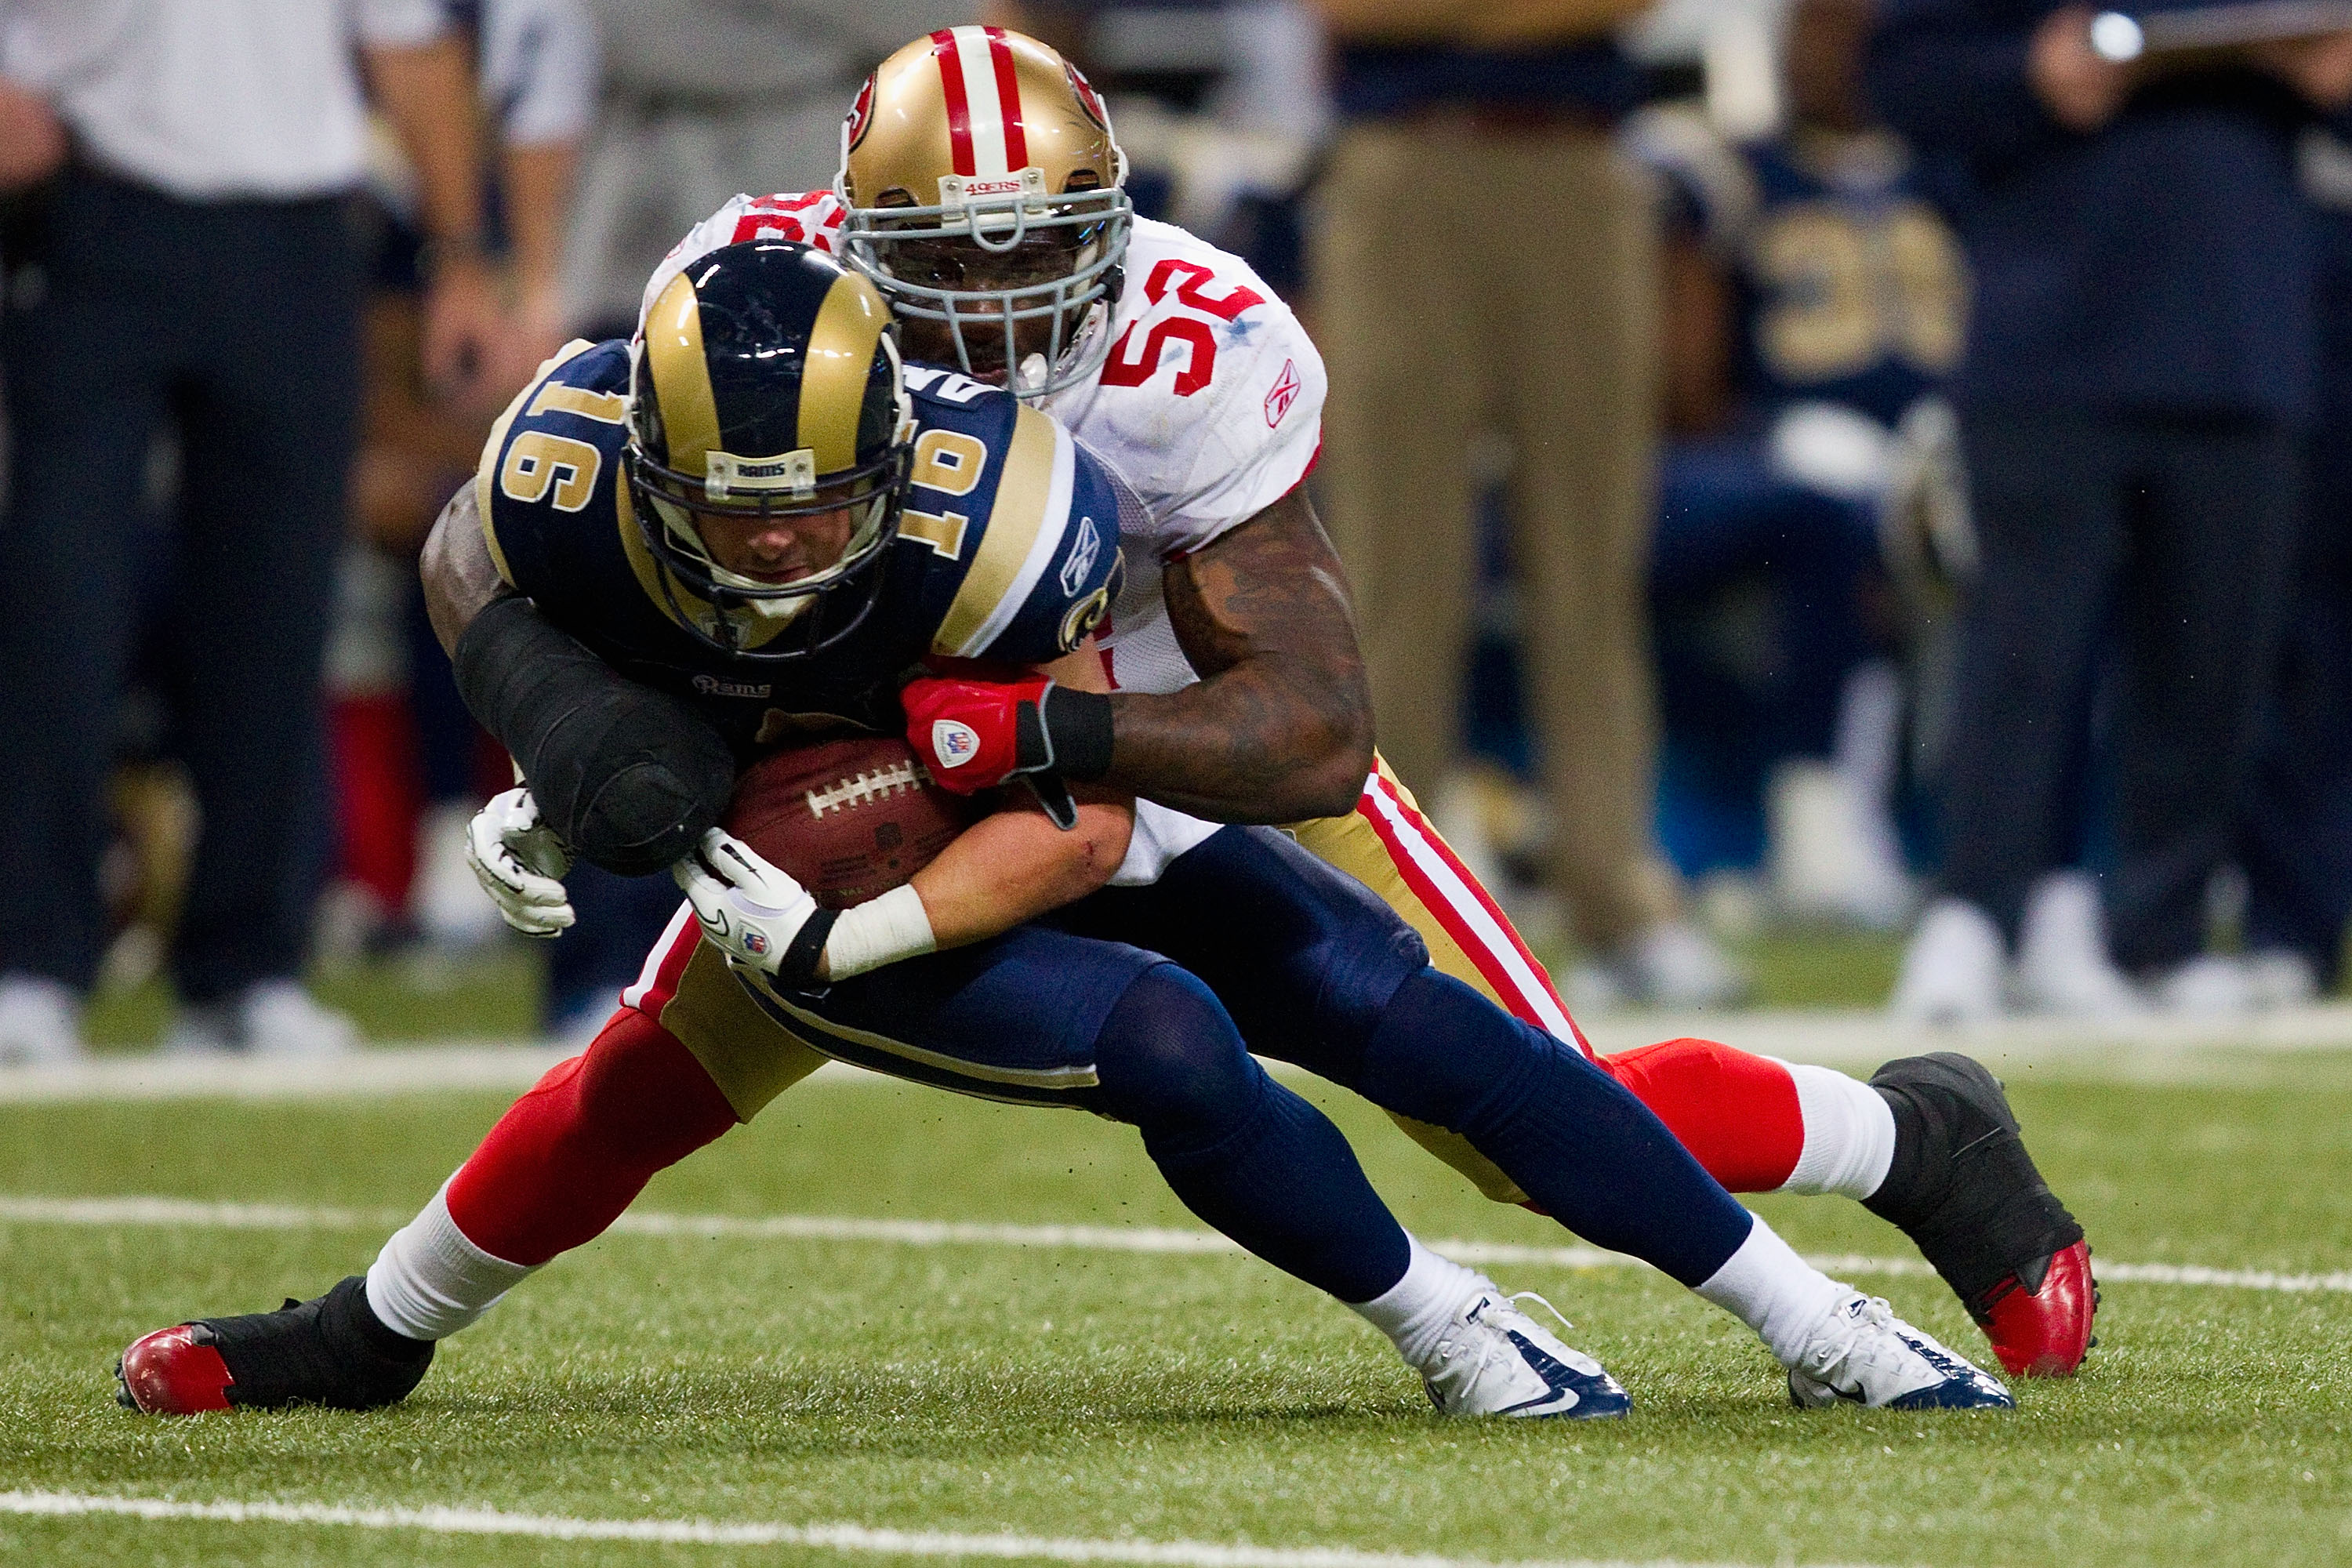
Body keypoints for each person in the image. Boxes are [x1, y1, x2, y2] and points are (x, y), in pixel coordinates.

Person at [114, 241, 2014, 1421]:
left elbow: (1144, 791)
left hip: (1026, 795)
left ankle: (1828, 1264)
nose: (778, 539)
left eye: (815, 503)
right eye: (732, 504)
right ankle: (1458, 1327)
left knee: (1432, 1027)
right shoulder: (567, 457)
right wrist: (561, 737)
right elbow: (472, 563)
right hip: (815, 844)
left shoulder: (1017, 500)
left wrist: (923, 844)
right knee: (683, 1079)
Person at [634, 27, 2095, 1378]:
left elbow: (1313, 725)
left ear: (1110, 228)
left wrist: (1055, 733)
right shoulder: (761, 309)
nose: (991, 307)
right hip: (917, 756)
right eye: (941, 263)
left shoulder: (1189, 337)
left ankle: (1910, 1140)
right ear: (847, 237)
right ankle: (399, 1314)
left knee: (1525, 1114)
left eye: (1027, 258)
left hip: (1184, 739)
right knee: (678, 1055)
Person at [0, 0, 501, 1060]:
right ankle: (30, 960)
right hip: (84, 203)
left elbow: (410, 40)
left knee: (278, 606)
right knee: (57, 604)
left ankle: (248, 968)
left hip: (295, 229)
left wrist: (458, 253)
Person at [1871, 2, 2352, 1021]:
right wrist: (2030, 73)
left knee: (2214, 653)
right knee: (2023, 645)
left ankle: (2160, 932)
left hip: (2242, 335)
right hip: (2052, 332)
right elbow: (1899, 79)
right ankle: (1975, 913)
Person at [1627, 0, 1962, 930]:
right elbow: (1680, 381)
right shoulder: (1727, 169)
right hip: (1771, 451)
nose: (1833, 53)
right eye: (1815, 27)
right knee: (1832, 514)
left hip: (1944, 456)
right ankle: (1820, 808)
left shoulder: (1955, 166)